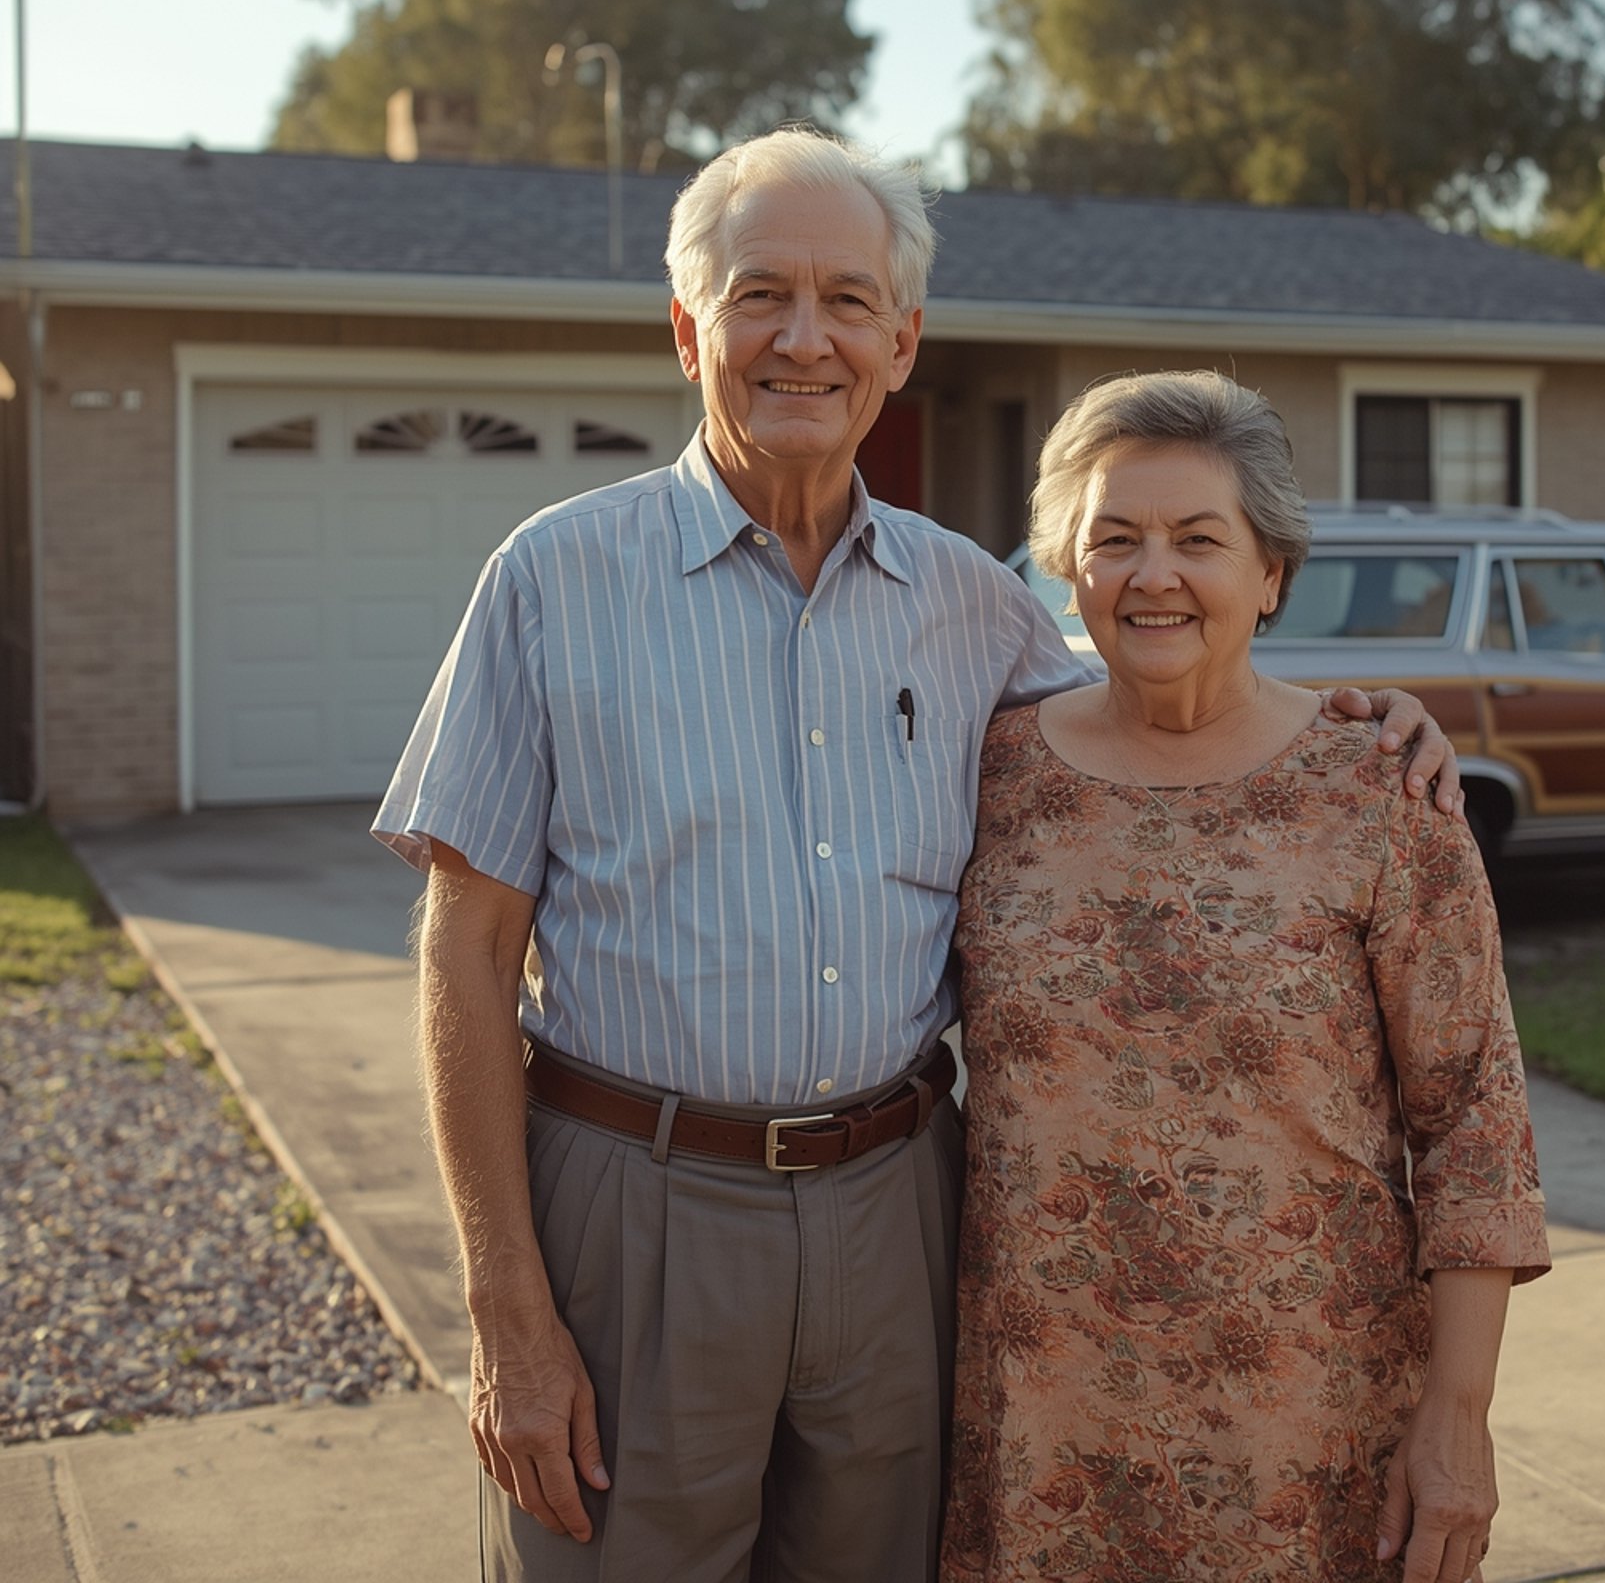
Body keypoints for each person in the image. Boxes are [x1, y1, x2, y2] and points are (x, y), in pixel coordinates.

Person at [372, 131, 1465, 1583]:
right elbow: (461, 952)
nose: (803, 339)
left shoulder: (977, 608)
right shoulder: (552, 579)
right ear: (689, 326)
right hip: (635, 1204)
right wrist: (506, 1306)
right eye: (762, 296)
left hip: (900, 1211)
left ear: (904, 338)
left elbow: (1154, 691)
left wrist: (1347, 715)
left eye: (847, 300)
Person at [941, 371, 1549, 1583]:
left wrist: (1458, 1420)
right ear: (1069, 568)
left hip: (1308, 1423)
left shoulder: (1382, 789)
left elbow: (1476, 1123)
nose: (1151, 573)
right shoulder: (991, 774)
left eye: (1197, 540)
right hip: (1042, 1414)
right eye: (1114, 539)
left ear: (1270, 574)